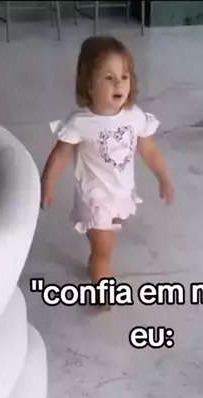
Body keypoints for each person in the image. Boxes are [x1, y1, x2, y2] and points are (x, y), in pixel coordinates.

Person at [41, 36, 174, 308]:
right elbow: (60, 155)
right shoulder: (81, 123)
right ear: (89, 85)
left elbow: (148, 149)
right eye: (109, 78)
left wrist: (163, 177)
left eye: (124, 77)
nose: (119, 84)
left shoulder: (134, 116)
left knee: (107, 241)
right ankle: (101, 282)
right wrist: (47, 183)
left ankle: (99, 263)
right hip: (95, 197)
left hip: (121, 193)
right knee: (102, 251)